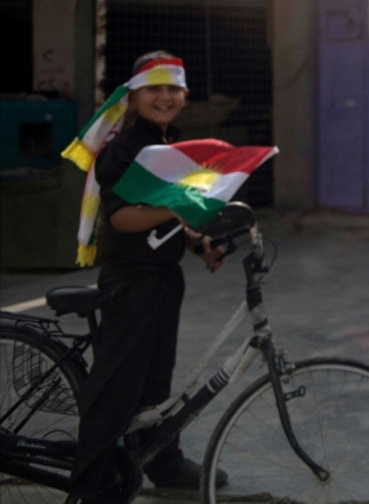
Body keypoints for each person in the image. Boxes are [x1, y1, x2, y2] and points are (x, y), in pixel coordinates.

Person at [69, 52, 228, 504]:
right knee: (117, 390)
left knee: (156, 384)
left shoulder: (167, 146)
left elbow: (168, 212)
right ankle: (92, 489)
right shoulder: (121, 150)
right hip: (130, 281)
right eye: (154, 89)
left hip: (162, 277)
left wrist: (198, 243)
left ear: (184, 95)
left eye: (172, 88)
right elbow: (123, 219)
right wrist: (178, 208)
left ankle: (161, 460)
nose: (164, 97)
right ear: (133, 96)